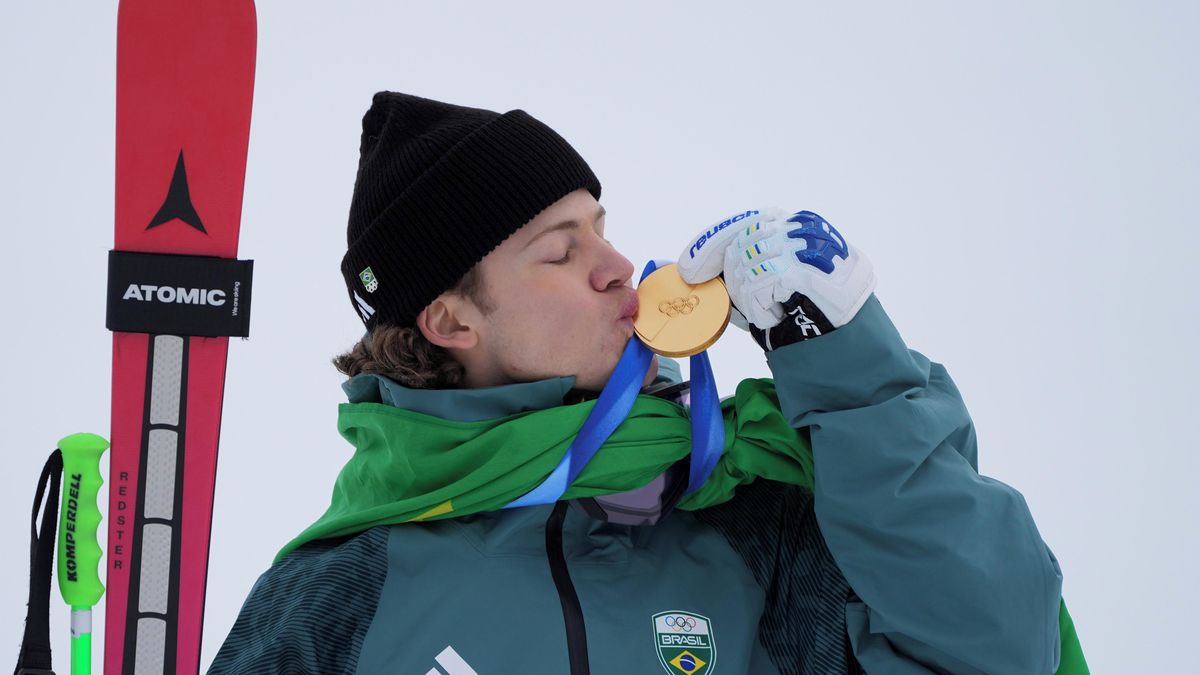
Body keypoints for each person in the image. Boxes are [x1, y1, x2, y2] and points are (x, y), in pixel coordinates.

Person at [209, 92, 1087, 674]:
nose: (618, 265)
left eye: (602, 226)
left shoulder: (755, 522)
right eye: (560, 249)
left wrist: (846, 359)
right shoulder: (341, 595)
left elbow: (997, 644)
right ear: (450, 320)